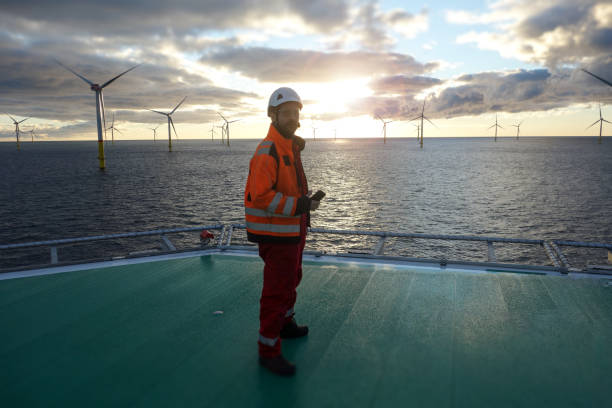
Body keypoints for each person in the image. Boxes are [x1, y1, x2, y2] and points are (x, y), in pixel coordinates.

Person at [244, 87, 321, 376]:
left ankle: (285, 325)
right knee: (276, 291)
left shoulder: (289, 147)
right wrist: (302, 203)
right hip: (276, 236)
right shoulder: (269, 150)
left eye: (295, 113)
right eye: (286, 113)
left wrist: (304, 201)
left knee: (292, 280)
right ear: (273, 115)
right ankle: (268, 351)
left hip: (292, 230)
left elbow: (285, 188)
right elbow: (261, 196)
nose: (292, 118)